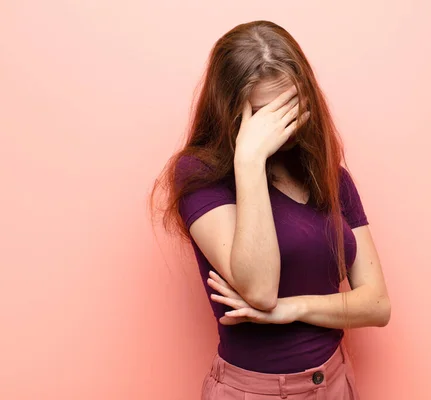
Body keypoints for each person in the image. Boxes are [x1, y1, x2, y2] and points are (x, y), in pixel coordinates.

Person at [150, 20, 390, 400]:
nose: (282, 127)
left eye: (291, 106)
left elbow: (377, 305)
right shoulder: (199, 176)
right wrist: (249, 161)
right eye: (264, 114)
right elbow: (259, 290)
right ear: (231, 112)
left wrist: (291, 309)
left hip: (335, 381)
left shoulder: (330, 177)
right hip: (254, 391)